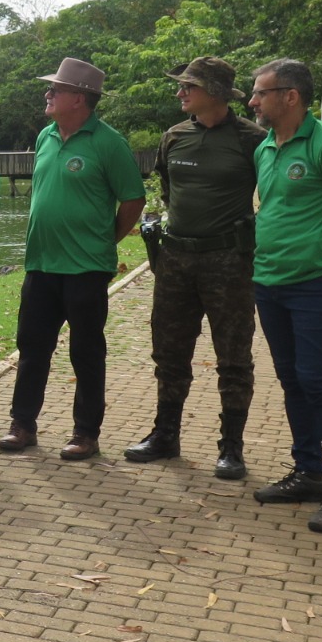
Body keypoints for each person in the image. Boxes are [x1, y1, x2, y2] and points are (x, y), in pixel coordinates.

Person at [123, 58, 265, 478]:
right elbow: (167, 188)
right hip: (176, 261)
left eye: (189, 86)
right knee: (168, 351)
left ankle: (232, 448)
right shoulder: (174, 136)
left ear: (216, 92)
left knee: (233, 356)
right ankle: (165, 434)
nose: (180, 93)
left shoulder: (252, 140)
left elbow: (273, 195)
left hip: (229, 262)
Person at [0, 58, 146, 461]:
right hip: (42, 265)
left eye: (55, 90)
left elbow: (134, 198)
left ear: (78, 98)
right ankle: (22, 425)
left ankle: (85, 433)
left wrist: (107, 239)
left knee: (86, 352)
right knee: (31, 348)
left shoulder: (108, 142)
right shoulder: (46, 136)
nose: (47, 95)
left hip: (86, 268)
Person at [245, 59, 322, 533]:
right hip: (269, 281)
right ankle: (308, 473)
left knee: (317, 381)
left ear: (290, 96)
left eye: (260, 93)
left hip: (316, 284)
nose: (253, 101)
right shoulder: (266, 149)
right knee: (293, 380)